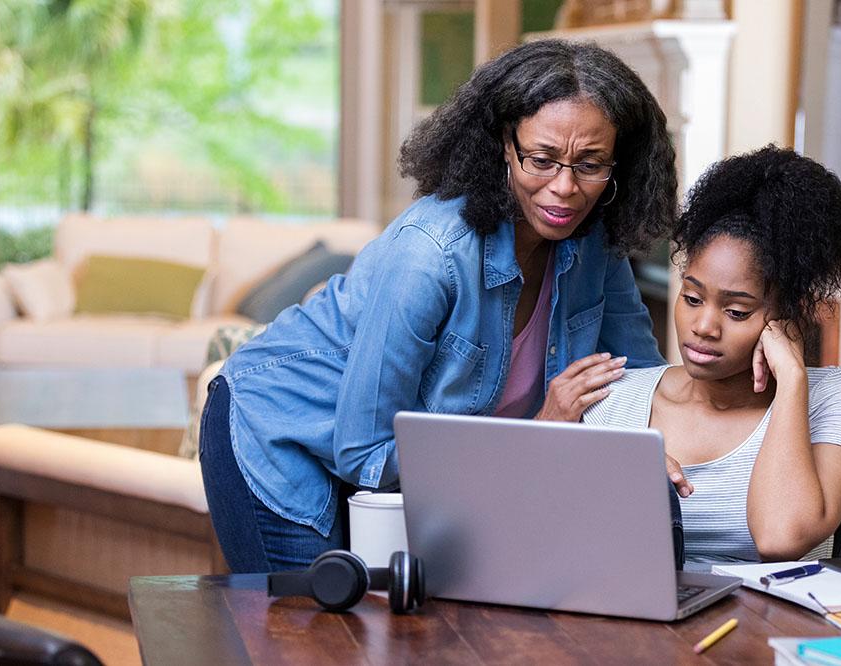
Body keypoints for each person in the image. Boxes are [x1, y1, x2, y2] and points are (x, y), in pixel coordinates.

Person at [199, 39, 678, 572]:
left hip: (417, 472)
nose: (565, 188)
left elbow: (642, 380)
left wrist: (737, 370)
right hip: (284, 434)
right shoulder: (429, 256)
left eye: (591, 165)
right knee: (310, 645)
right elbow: (365, 453)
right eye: (541, 160)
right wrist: (544, 429)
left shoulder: (594, 244)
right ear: (503, 144)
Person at [584, 146, 841, 564]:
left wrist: (793, 380)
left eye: (737, 311)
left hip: (761, 627)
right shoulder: (610, 398)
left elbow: (780, 537)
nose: (704, 326)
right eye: (691, 297)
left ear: (786, 313)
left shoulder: (836, 404)